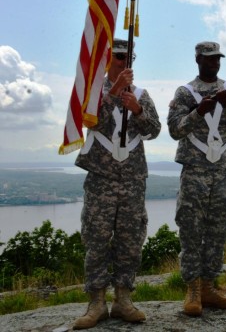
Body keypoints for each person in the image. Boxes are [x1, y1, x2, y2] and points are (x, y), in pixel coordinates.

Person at [73, 38, 161, 329]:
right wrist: (112, 93)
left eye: (129, 58)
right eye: (120, 57)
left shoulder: (141, 94)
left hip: (133, 179)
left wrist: (137, 110)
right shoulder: (93, 92)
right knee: (96, 240)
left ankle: (123, 300)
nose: (126, 63)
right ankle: (96, 303)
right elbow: (89, 121)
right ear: (107, 59)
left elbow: (155, 130)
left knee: (130, 241)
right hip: (101, 177)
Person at [167, 41, 226, 316]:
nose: (215, 63)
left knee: (218, 229)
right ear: (198, 59)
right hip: (195, 170)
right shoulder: (184, 92)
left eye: (218, 59)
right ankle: (192, 288)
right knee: (191, 228)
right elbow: (175, 130)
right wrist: (198, 111)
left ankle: (209, 286)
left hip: (223, 170)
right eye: (210, 58)